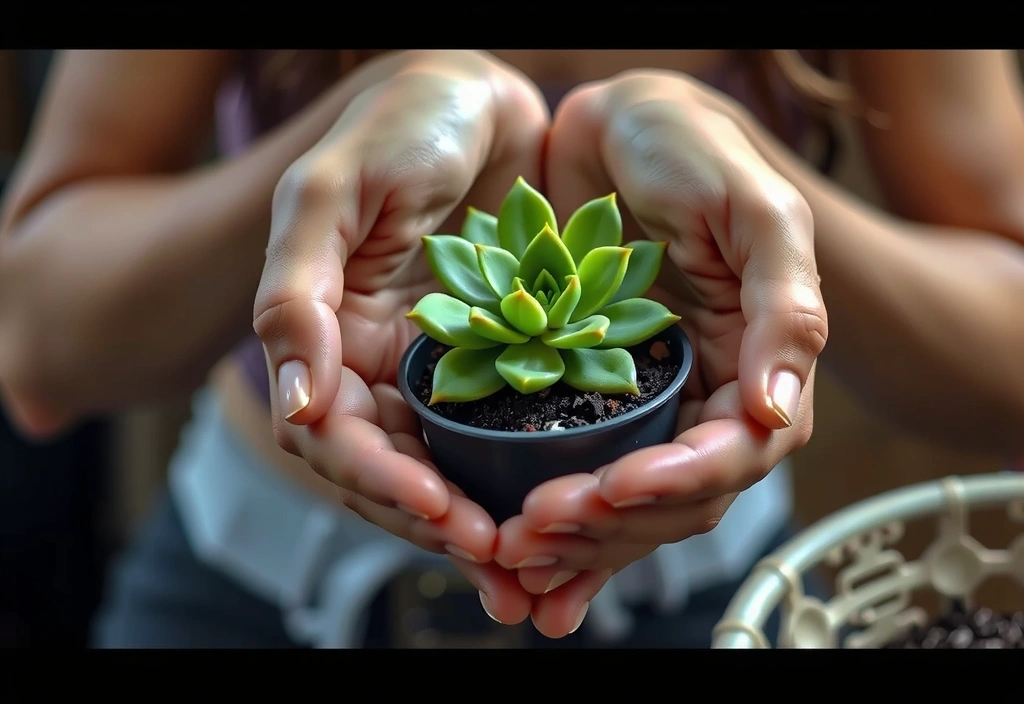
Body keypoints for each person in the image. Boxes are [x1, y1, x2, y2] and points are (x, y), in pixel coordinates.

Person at [0, 50, 1022, 648]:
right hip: (248, 597)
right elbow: (37, 335)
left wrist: (745, 178)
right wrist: (354, 133)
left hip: (709, 600)